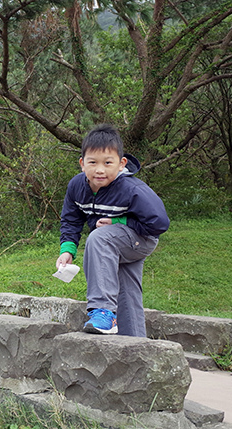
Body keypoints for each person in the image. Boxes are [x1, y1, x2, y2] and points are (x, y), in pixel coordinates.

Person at [56, 124, 169, 337]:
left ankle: (103, 311)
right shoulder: (76, 187)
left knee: (99, 238)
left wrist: (121, 221)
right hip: (116, 242)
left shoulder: (131, 189)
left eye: (108, 163)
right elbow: (71, 220)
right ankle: (137, 348)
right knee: (127, 291)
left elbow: (159, 223)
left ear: (121, 164)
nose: (100, 170)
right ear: (82, 164)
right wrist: (67, 250)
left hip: (141, 238)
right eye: (93, 162)